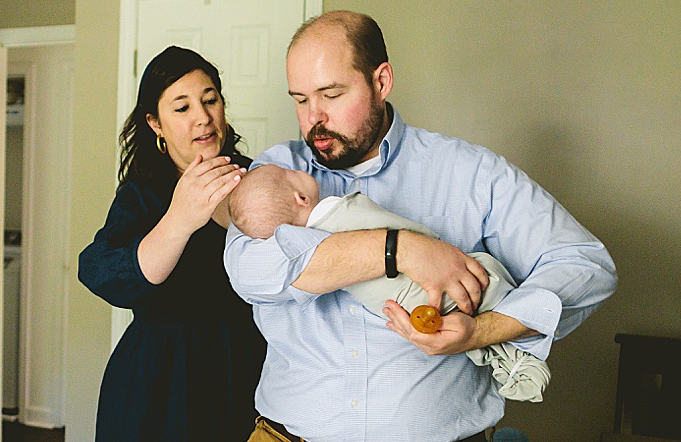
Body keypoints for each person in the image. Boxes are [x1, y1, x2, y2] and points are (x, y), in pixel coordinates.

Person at [214, 11, 617, 442]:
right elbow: (252, 269)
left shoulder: (469, 174)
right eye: (300, 100)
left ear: (381, 79)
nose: (312, 118)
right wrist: (398, 249)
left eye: (332, 95)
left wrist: (484, 329)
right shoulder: (276, 173)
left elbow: (588, 267)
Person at [78, 46, 266, 442]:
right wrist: (182, 218)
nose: (202, 117)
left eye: (210, 100)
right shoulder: (145, 192)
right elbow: (105, 271)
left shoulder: (254, 180)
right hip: (159, 387)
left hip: (245, 376)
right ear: (156, 125)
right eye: (181, 106)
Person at [227, 164, 549, 402]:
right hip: (427, 287)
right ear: (299, 196)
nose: (293, 167)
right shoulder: (340, 209)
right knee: (484, 275)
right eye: (288, 173)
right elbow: (399, 230)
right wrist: (424, 245)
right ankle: (520, 344)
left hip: (410, 311)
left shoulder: (299, 247)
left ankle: (505, 357)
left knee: (471, 325)